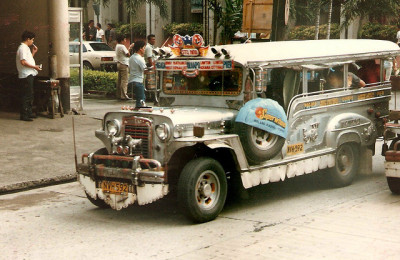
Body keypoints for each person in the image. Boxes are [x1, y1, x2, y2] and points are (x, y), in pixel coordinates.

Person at [16, 30, 42, 121]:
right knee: (27, 95)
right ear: (28, 39)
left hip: (29, 73)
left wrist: (33, 53)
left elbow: (27, 59)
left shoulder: (26, 48)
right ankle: (24, 114)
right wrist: (34, 67)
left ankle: (29, 112)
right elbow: (23, 62)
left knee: (30, 94)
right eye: (32, 40)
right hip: (26, 75)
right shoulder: (22, 48)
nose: (33, 41)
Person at [128, 41, 147, 108]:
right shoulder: (139, 58)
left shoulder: (131, 57)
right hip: (138, 81)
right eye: (144, 48)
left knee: (139, 100)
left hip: (131, 80)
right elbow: (145, 69)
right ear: (140, 49)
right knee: (141, 100)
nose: (144, 50)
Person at [115, 34, 133, 100]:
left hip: (119, 63)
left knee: (119, 80)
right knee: (124, 80)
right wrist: (130, 48)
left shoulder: (117, 46)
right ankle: (124, 95)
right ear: (122, 40)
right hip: (124, 64)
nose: (125, 40)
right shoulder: (122, 46)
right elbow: (128, 54)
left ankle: (119, 94)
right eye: (124, 39)